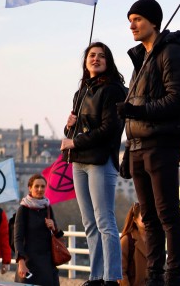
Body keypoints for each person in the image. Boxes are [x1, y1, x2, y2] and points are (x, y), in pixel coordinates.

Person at [117, 0, 180, 286]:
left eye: (137, 19)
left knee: (167, 215)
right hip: (137, 148)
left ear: (153, 22)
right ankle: (154, 277)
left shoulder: (171, 51)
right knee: (148, 217)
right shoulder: (141, 59)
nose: (132, 26)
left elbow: (179, 99)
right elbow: (132, 110)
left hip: (161, 145)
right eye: (130, 21)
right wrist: (126, 152)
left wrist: (137, 111)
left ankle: (172, 277)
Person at [60, 41, 127, 286]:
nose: (95, 59)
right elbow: (74, 129)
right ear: (85, 61)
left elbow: (111, 129)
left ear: (108, 62)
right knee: (89, 223)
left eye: (101, 56)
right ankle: (96, 276)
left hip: (100, 161)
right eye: (91, 55)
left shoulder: (115, 90)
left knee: (104, 221)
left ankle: (111, 278)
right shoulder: (81, 92)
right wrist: (68, 125)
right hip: (79, 163)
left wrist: (74, 142)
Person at [13, 174, 64, 286]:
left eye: (42, 186)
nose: (40, 189)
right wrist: (21, 262)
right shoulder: (23, 209)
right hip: (29, 261)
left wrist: (54, 227)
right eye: (36, 186)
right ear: (30, 188)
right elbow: (18, 238)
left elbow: (58, 235)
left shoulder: (48, 207)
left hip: (48, 262)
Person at [120, 202, 148, 286]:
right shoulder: (127, 240)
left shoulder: (155, 241)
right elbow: (121, 272)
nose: (148, 218)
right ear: (135, 220)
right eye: (143, 215)